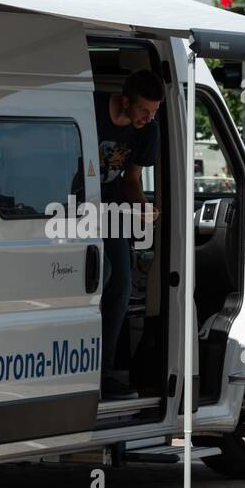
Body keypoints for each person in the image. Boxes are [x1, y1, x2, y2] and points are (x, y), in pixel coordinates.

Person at [95, 69, 162, 399]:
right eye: (143, 111)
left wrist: (144, 207)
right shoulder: (90, 110)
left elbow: (131, 179)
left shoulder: (148, 131)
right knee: (100, 273)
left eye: (154, 112)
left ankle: (103, 373)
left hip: (110, 210)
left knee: (120, 282)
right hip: (69, 206)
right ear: (124, 101)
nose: (148, 118)